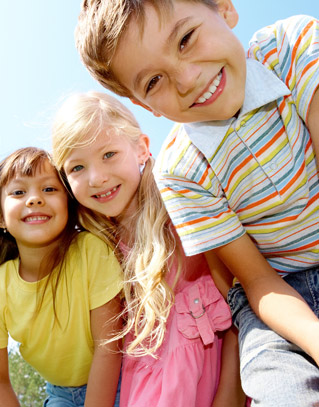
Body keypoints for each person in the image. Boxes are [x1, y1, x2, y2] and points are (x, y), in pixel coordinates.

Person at [73, 1, 319, 405]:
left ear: (224, 8)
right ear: (144, 105)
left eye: (186, 39)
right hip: (278, 302)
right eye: (153, 81)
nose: (186, 79)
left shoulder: (292, 47)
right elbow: (257, 281)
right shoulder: (179, 169)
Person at [51, 91, 247, 407]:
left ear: (141, 149)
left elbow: (239, 303)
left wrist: (230, 395)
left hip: (213, 385)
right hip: (144, 391)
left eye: (109, 154)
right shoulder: (95, 250)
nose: (97, 177)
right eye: (77, 168)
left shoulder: (183, 212)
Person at [0, 147, 123, 407]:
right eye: (19, 192)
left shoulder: (91, 250)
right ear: (1, 216)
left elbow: (108, 348)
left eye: (49, 189)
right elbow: (1, 382)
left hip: (118, 379)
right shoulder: (2, 283)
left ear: (69, 203)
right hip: (60, 394)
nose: (34, 199)